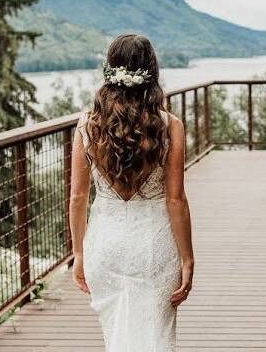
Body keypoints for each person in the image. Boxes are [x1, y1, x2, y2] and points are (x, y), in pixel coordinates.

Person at [68, 34, 194, 352]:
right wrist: (188, 258)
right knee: (156, 339)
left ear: (109, 71)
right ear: (152, 72)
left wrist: (79, 253)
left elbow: (78, 197)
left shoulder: (87, 125)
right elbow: (175, 199)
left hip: (104, 246)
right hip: (154, 246)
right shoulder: (169, 126)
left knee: (116, 338)